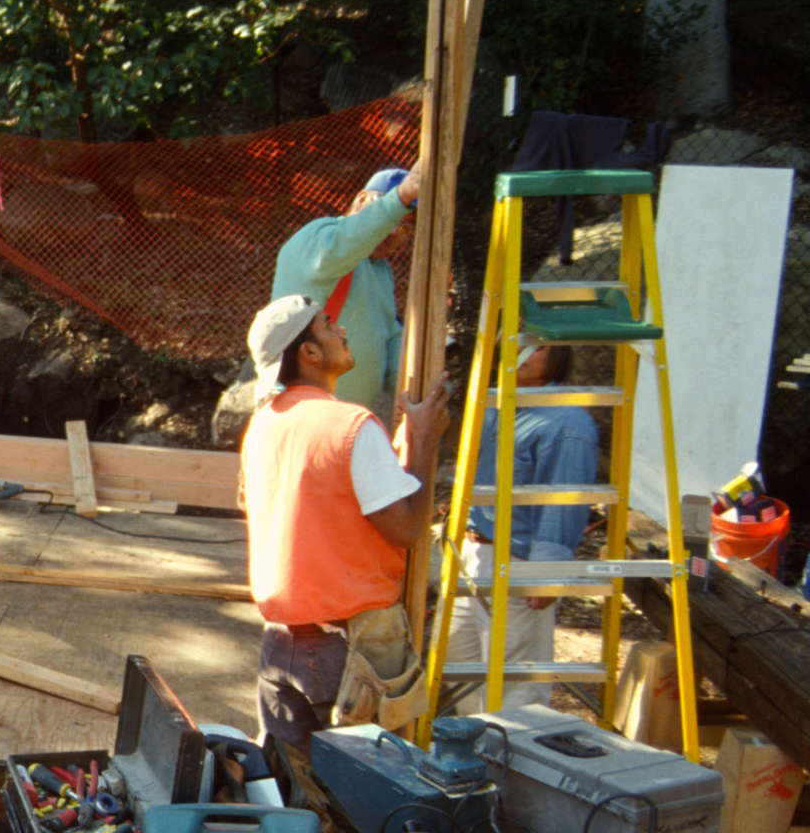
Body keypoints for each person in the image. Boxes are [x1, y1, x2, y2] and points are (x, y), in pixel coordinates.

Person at [240, 292, 450, 754]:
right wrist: (423, 442)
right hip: (350, 646)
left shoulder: (263, 427)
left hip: (282, 642)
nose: (342, 330)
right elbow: (407, 530)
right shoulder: (351, 425)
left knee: (286, 782)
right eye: (328, 324)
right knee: (366, 786)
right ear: (309, 352)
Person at [446, 341, 600, 712]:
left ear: (558, 355)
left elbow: (565, 498)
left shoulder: (568, 421)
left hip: (518, 561)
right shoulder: (495, 403)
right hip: (473, 552)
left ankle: (510, 750)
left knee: (514, 685)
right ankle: (472, 746)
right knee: (458, 665)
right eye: (518, 339)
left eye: (538, 345)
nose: (523, 350)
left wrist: (546, 571)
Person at [271, 164, 424, 416]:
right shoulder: (320, 237)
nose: (394, 230)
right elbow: (348, 241)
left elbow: (390, 340)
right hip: (301, 412)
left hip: (341, 418)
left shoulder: (380, 271)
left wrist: (419, 394)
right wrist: (402, 196)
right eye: (392, 215)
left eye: (406, 226)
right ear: (361, 199)